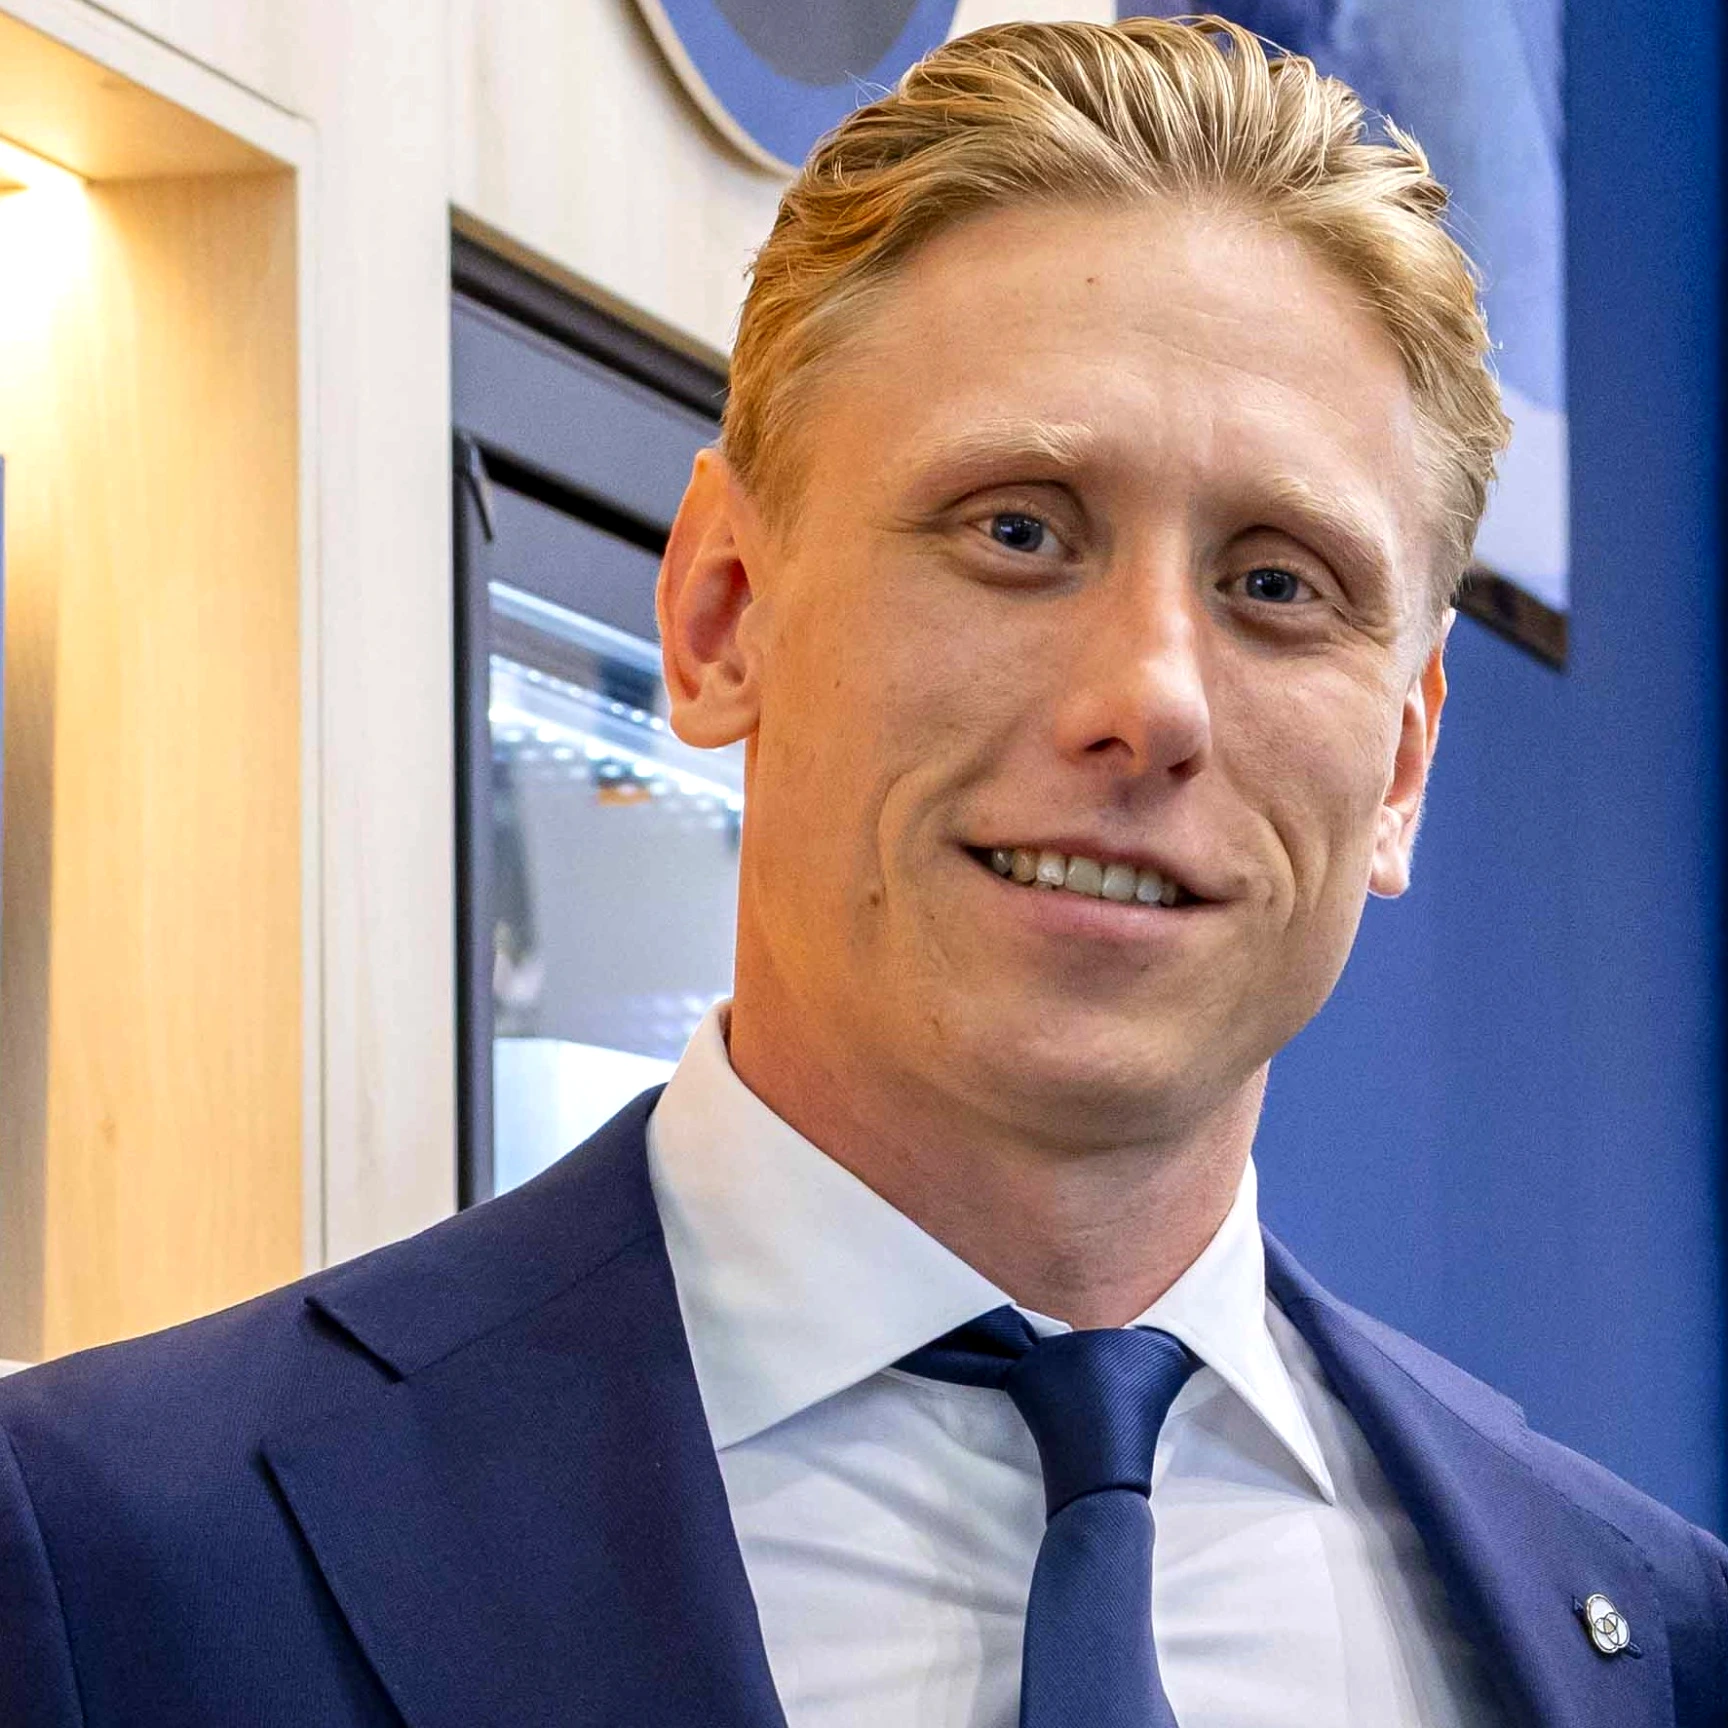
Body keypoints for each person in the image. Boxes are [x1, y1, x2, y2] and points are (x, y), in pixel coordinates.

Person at [1, 17, 1723, 1728]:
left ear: (1403, 764)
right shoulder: (103, 1567)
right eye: (1019, 530)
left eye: (1278, 585)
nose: (1153, 701)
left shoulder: (1653, 1640)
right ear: (721, 616)